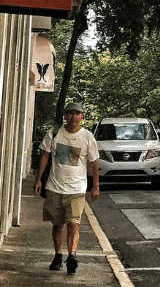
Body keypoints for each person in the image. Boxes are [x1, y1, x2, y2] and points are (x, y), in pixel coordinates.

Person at [34, 102, 100, 275]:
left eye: (78, 113)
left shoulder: (87, 137)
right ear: (65, 115)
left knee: (73, 224)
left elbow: (94, 163)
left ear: (82, 117)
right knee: (57, 225)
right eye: (70, 113)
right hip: (55, 187)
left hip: (77, 189)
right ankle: (58, 256)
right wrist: (38, 179)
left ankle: (72, 256)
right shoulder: (54, 134)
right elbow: (45, 156)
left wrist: (95, 186)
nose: (74, 116)